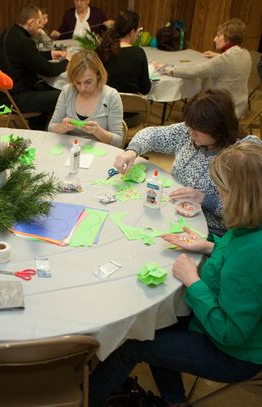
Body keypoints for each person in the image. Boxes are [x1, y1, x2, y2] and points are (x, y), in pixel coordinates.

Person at [89, 142, 262, 407]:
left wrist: (192, 280)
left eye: (223, 191)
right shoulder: (250, 226)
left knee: (133, 344)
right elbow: (234, 255)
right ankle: (174, 400)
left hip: (233, 352)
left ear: (241, 196)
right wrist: (208, 246)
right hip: (217, 323)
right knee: (155, 324)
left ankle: (84, 399)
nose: (218, 196)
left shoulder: (252, 253)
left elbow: (230, 332)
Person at [114, 89, 260, 237]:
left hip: (211, 232)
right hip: (173, 215)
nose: (191, 133)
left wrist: (204, 198)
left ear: (217, 128)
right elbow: (151, 134)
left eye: (197, 130)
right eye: (190, 127)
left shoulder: (242, 155)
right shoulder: (190, 131)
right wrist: (131, 151)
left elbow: (249, 210)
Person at [0, 4, 70, 130]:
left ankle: (37, 128)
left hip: (0, 96)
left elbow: (28, 57)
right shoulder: (24, 42)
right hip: (14, 100)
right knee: (62, 94)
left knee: (44, 87)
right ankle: (47, 132)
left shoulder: (7, 33)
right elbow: (49, 70)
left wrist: (50, 54)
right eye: (39, 22)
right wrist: (66, 62)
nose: (41, 26)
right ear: (31, 22)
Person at [159, 18, 251, 119]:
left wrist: (168, 68)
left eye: (218, 35)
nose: (214, 39)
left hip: (223, 112)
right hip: (239, 107)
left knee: (189, 108)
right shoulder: (246, 54)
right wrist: (217, 55)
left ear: (228, 39)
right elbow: (231, 62)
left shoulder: (224, 60)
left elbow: (194, 71)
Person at [48, 50, 123, 147]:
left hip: (100, 153)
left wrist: (98, 131)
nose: (82, 88)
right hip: (70, 150)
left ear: (98, 75)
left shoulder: (111, 96)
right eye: (77, 82)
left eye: (88, 82)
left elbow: (118, 141)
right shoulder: (68, 91)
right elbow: (51, 127)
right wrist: (61, 128)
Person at [96, 10, 151, 128]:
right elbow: (145, 89)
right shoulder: (138, 53)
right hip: (129, 118)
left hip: (103, 113)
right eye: (138, 30)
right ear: (132, 32)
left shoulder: (101, 50)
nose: (137, 34)